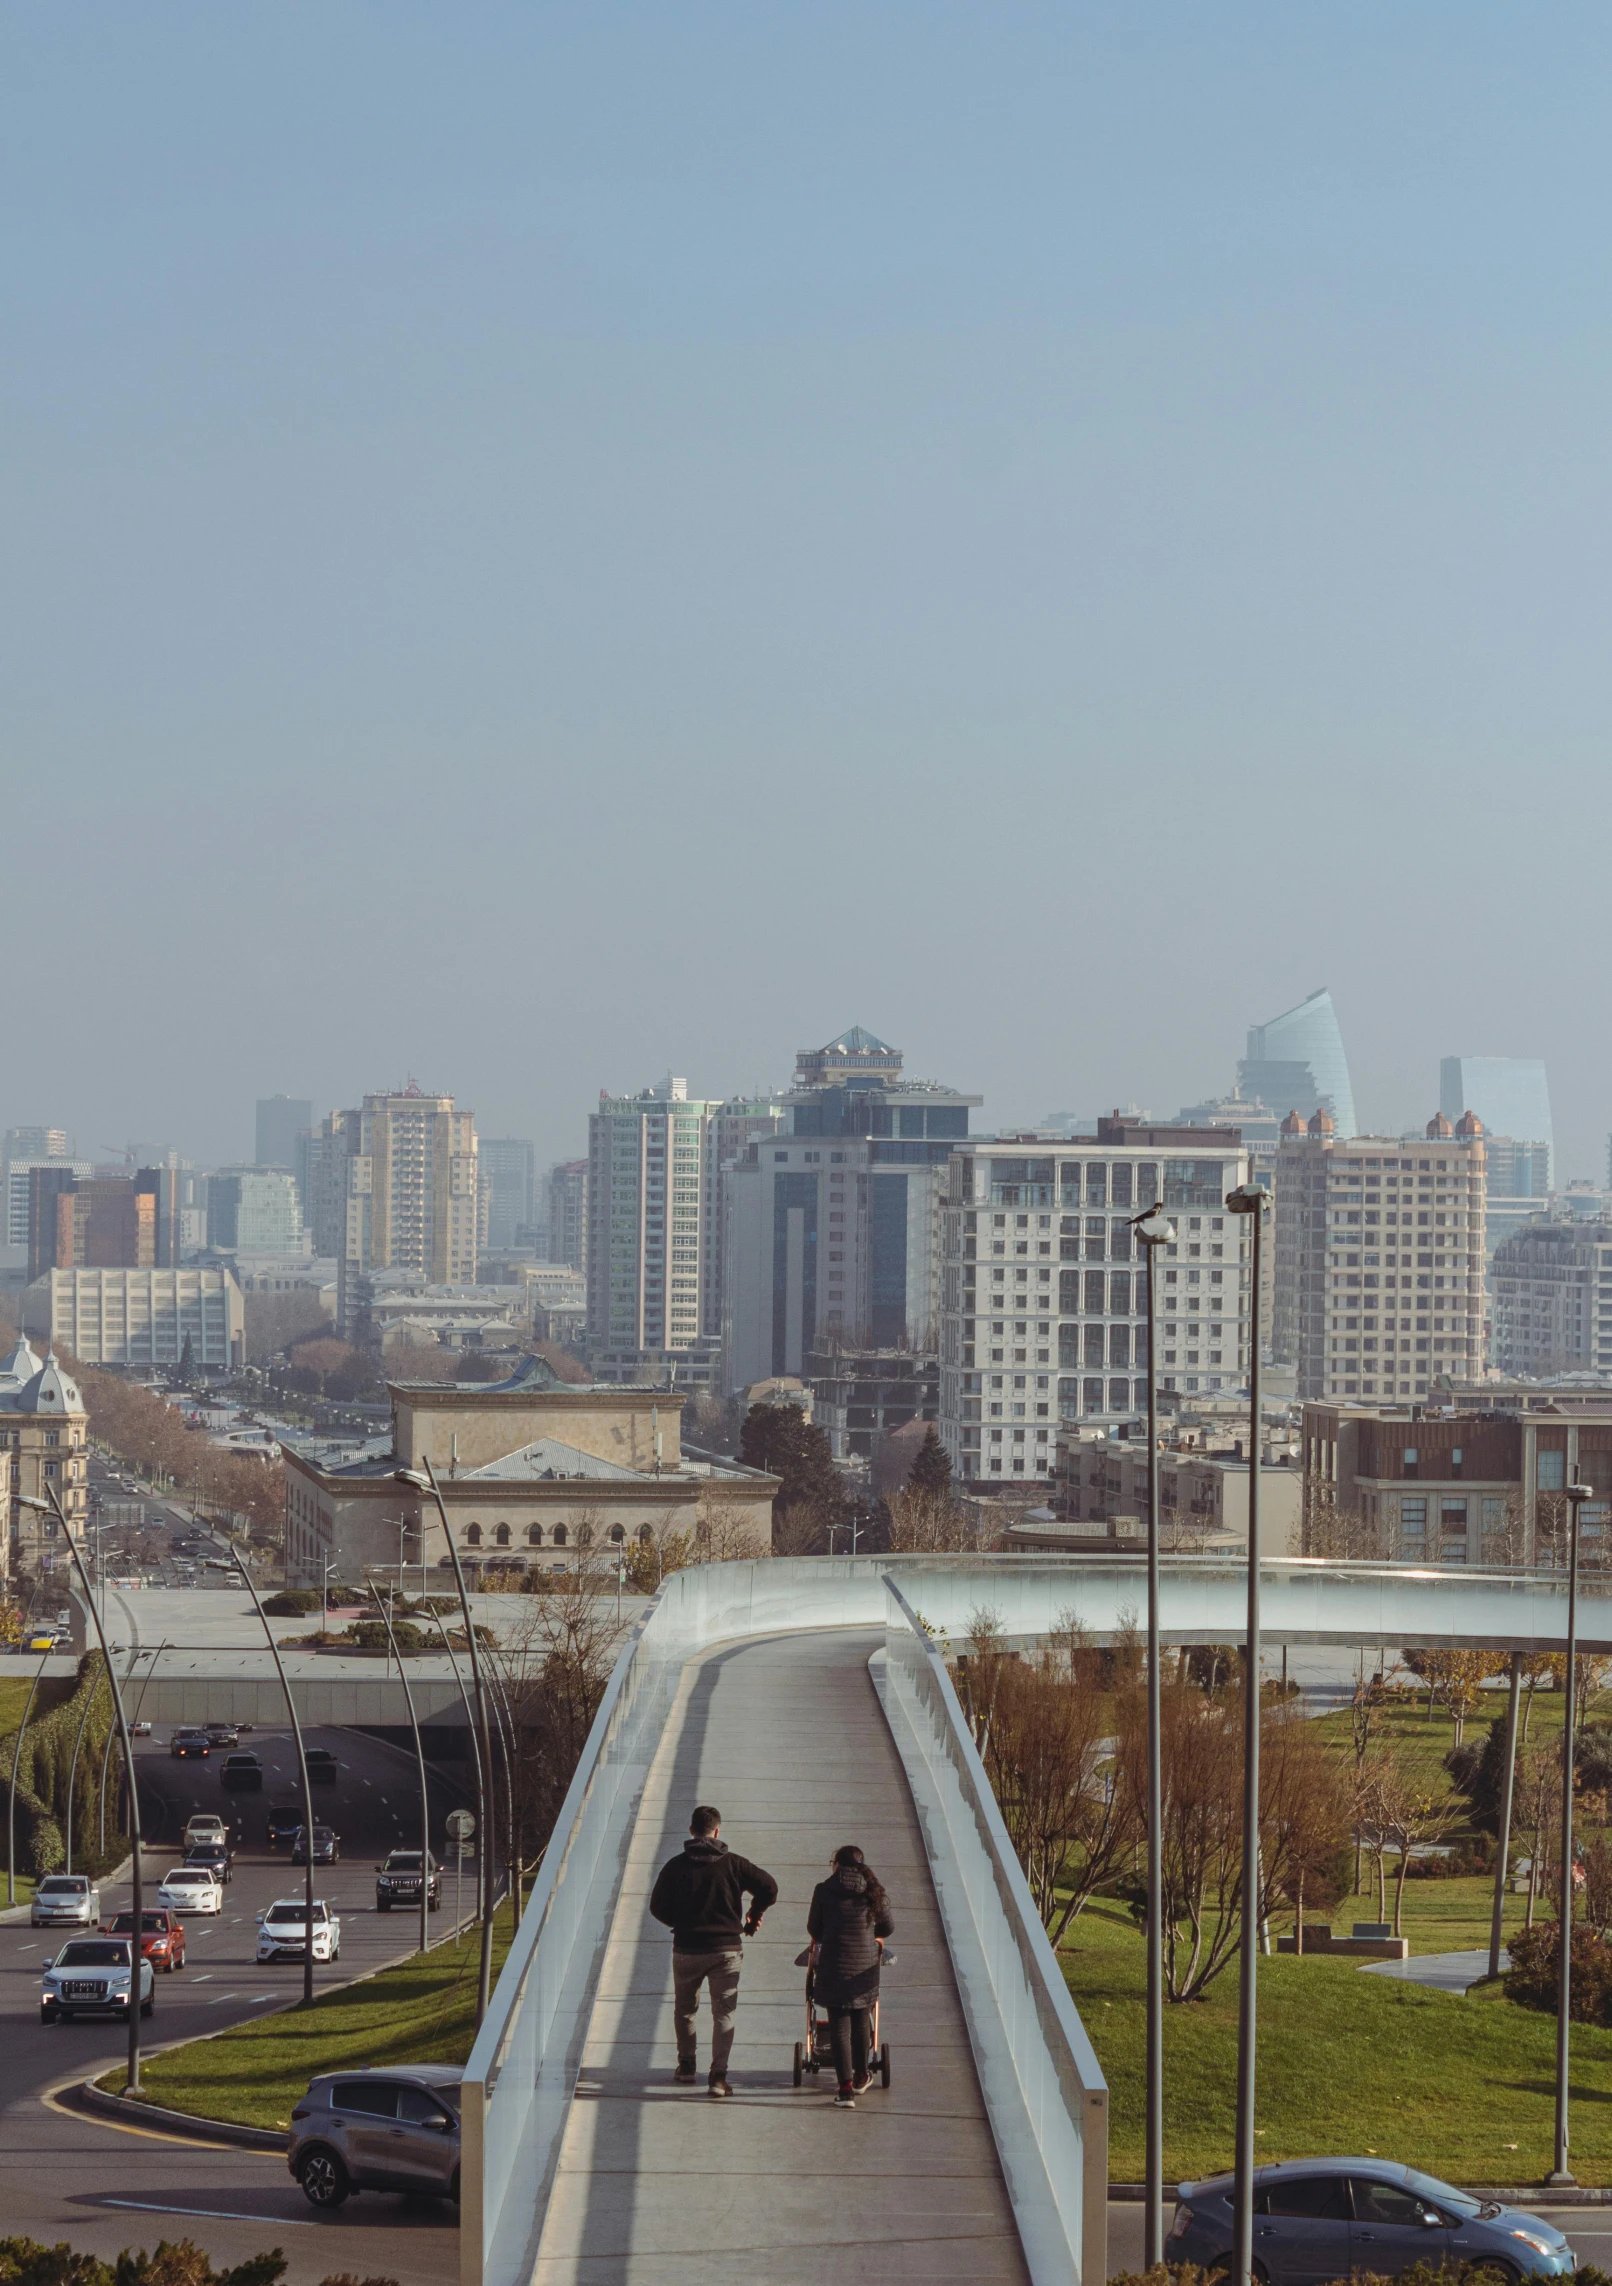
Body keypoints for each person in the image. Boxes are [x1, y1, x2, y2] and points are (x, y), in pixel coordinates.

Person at [649, 1803, 778, 2098]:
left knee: (685, 2010)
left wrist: (680, 1922)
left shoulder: (676, 1866)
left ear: (691, 1830)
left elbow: (656, 1907)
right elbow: (769, 1886)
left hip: (687, 1949)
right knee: (724, 2013)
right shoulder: (734, 1864)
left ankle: (686, 2066)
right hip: (727, 1950)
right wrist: (754, 1914)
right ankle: (718, 2078)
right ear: (717, 1830)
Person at [806, 1843, 894, 2108]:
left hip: (833, 1965)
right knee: (861, 2019)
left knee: (839, 2026)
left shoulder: (823, 1890)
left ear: (836, 1864)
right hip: (864, 1968)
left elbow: (814, 1928)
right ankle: (861, 2074)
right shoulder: (874, 1892)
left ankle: (845, 2089)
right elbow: (888, 1926)